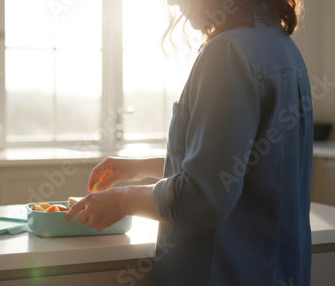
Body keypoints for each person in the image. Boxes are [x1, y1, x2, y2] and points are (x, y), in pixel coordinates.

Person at [65, 0, 312, 285]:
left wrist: (122, 199)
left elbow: (201, 198)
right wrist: (140, 167)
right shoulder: (284, 48)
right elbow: (236, 167)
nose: (171, 1)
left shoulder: (228, 53)